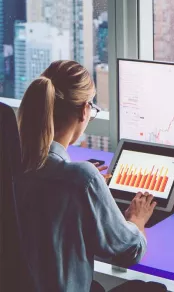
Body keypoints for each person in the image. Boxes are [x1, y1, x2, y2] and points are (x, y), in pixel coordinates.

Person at [14, 61, 164, 292]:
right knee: (153, 288)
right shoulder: (82, 179)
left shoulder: (12, 163)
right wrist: (137, 220)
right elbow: (127, 253)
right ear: (85, 110)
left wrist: (88, 191)